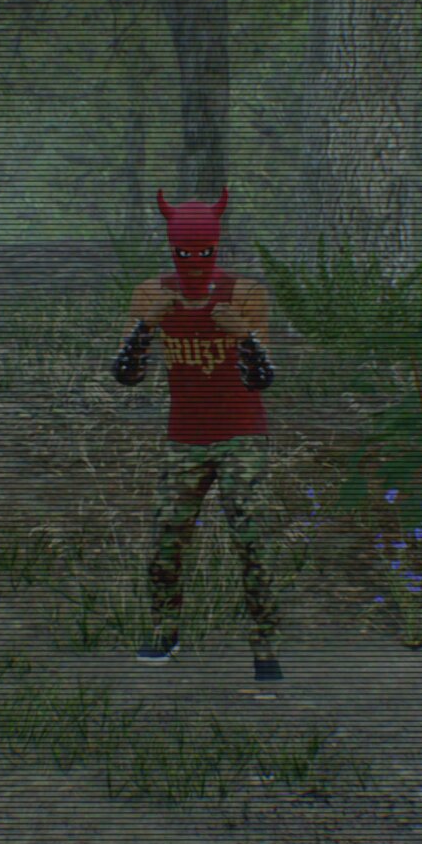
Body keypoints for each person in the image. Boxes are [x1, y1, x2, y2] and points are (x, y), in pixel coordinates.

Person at [112, 188, 283, 682]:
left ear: (216, 247)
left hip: (240, 434)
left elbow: (262, 379)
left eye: (203, 252)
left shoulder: (244, 292)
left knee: (252, 541)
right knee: (165, 539)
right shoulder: (151, 293)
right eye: (183, 253)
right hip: (184, 437)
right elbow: (126, 375)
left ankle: (264, 644)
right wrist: (146, 327)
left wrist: (243, 335)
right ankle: (165, 629)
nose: (193, 263)